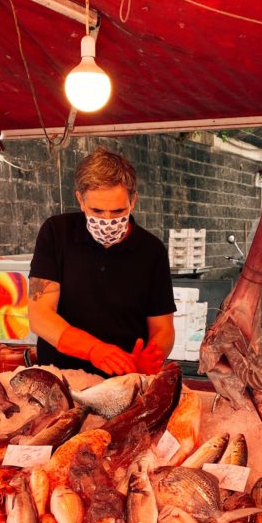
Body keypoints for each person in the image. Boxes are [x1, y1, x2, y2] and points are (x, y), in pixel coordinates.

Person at [27, 148, 176, 376]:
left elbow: (162, 327)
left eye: (118, 211)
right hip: (61, 376)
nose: (107, 220)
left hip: (124, 378)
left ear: (133, 201)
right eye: (97, 210)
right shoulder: (56, 233)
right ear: (80, 200)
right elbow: (40, 316)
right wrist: (94, 349)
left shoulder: (151, 250)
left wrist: (153, 355)